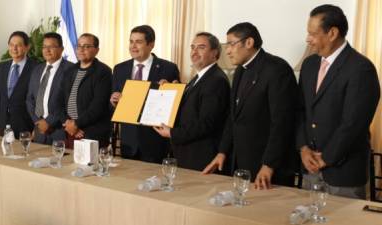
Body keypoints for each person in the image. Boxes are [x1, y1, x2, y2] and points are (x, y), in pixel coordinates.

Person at [296, 4, 380, 199]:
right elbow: (300, 110)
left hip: (344, 173)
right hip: (310, 170)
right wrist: (303, 148)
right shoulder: (309, 65)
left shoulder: (361, 68)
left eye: (313, 34)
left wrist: (326, 158)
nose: (308, 39)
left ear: (332, 33)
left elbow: (353, 123)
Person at [203, 22, 299, 190]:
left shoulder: (277, 69)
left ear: (249, 43)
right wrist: (222, 152)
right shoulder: (240, 70)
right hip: (241, 161)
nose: (227, 51)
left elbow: (282, 123)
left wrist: (268, 164)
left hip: (269, 166)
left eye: (232, 44)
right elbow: (233, 116)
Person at [153, 32, 230, 171]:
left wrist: (172, 133)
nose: (194, 52)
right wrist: (172, 90)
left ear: (214, 53)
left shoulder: (216, 80)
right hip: (188, 153)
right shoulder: (199, 77)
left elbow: (207, 123)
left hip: (201, 156)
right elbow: (192, 104)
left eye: (201, 47)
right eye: (192, 47)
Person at [110, 25, 180, 163]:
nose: (133, 46)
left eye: (139, 42)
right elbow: (113, 103)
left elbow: (176, 106)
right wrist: (113, 101)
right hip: (128, 142)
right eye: (131, 41)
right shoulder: (119, 69)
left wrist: (170, 90)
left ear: (151, 44)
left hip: (155, 141)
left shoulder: (168, 68)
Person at [58, 33, 112, 148]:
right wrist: (68, 123)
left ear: (97, 50)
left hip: (92, 133)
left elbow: (98, 106)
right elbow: (59, 102)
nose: (81, 50)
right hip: (70, 131)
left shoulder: (103, 72)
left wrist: (77, 124)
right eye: (79, 46)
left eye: (87, 46)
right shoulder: (69, 71)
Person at [26, 32, 74, 144]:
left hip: (59, 130)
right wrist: (38, 121)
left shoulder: (71, 70)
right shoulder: (37, 69)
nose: (47, 50)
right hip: (39, 130)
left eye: (51, 47)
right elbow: (30, 99)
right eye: (44, 47)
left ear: (61, 49)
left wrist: (48, 122)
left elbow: (69, 102)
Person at [0, 31, 37, 138]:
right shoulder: (2, 67)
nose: (14, 48)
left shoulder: (36, 68)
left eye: (19, 45)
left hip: (26, 127)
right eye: (11, 45)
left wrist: (35, 127)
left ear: (27, 47)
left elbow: (38, 100)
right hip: (3, 126)